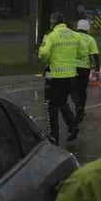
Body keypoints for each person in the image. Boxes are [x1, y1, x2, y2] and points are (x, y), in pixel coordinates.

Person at [39, 12, 82, 145]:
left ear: (53, 22)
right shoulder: (75, 35)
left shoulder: (51, 35)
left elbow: (44, 53)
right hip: (70, 76)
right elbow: (82, 52)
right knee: (62, 101)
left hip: (55, 76)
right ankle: (73, 126)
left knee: (51, 105)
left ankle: (53, 136)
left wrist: (44, 60)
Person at [72, 18, 100, 124]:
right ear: (87, 28)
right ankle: (81, 109)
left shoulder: (72, 37)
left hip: (72, 67)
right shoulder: (90, 39)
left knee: (73, 89)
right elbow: (95, 56)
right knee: (82, 90)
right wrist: (96, 70)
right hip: (85, 68)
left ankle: (77, 106)